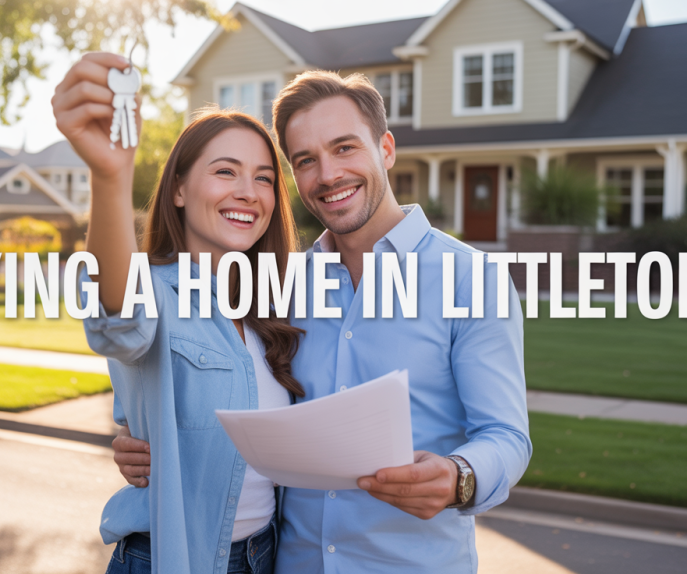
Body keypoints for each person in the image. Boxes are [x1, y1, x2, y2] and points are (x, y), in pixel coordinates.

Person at [112, 70, 533, 572]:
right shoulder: (281, 285)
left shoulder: (472, 279)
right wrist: (147, 435)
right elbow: (216, 381)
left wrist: (460, 476)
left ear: (386, 149)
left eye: (344, 148)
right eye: (305, 160)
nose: (328, 175)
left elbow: (507, 436)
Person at [52, 52, 305, 574]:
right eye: (225, 171)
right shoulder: (155, 290)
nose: (247, 192)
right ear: (179, 190)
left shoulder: (272, 303)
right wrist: (110, 176)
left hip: (265, 555)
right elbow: (118, 319)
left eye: (263, 178)